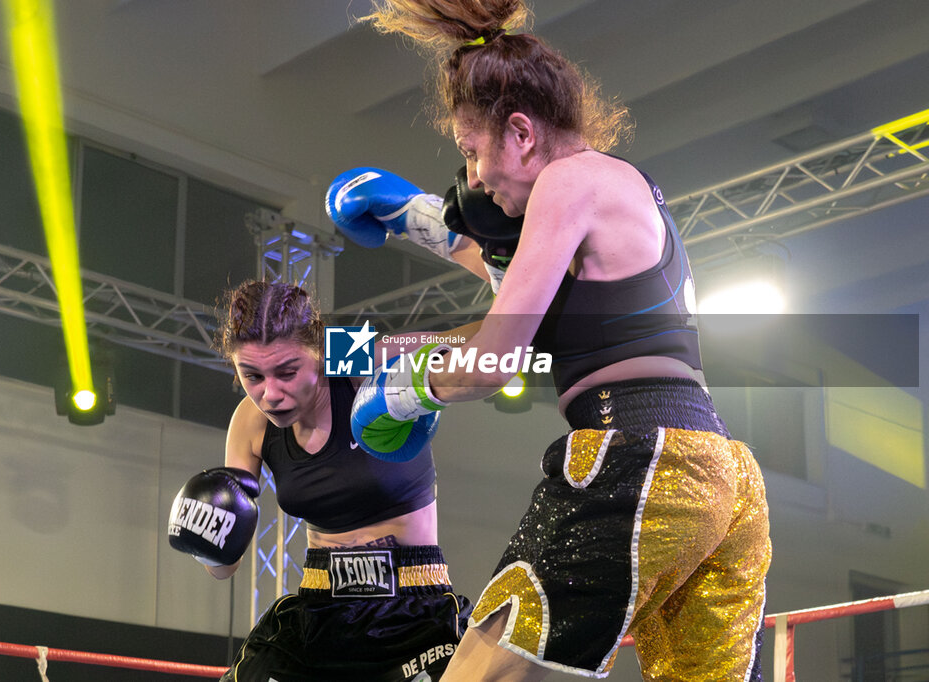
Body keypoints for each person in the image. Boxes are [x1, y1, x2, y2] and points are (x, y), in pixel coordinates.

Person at [327, 1, 774, 680]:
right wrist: (410, 226)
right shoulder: (620, 190)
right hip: (724, 477)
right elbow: (516, 294)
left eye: (472, 151)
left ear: (521, 131)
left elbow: (494, 362)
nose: (474, 176)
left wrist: (404, 391)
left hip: (636, 459)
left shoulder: (569, 182)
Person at [168, 279, 472, 682]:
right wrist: (207, 538)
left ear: (321, 351)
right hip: (318, 613)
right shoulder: (250, 421)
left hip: (411, 611)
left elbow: (473, 340)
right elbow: (224, 569)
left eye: (287, 372)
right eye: (252, 376)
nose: (270, 393)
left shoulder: (354, 358)